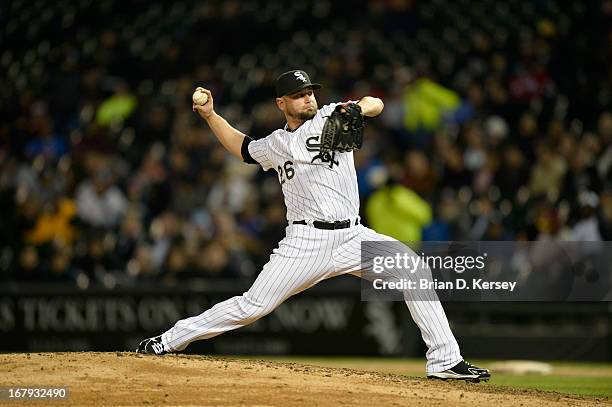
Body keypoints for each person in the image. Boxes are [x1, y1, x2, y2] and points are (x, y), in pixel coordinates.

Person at [136, 70, 490, 382]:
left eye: (310, 92)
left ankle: (446, 360)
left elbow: (375, 103)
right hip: (306, 241)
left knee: (414, 270)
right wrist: (211, 115)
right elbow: (241, 148)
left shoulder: (330, 115)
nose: (307, 98)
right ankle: (169, 339)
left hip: (353, 235)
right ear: (281, 103)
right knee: (252, 306)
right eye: (298, 94)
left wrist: (357, 109)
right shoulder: (276, 144)